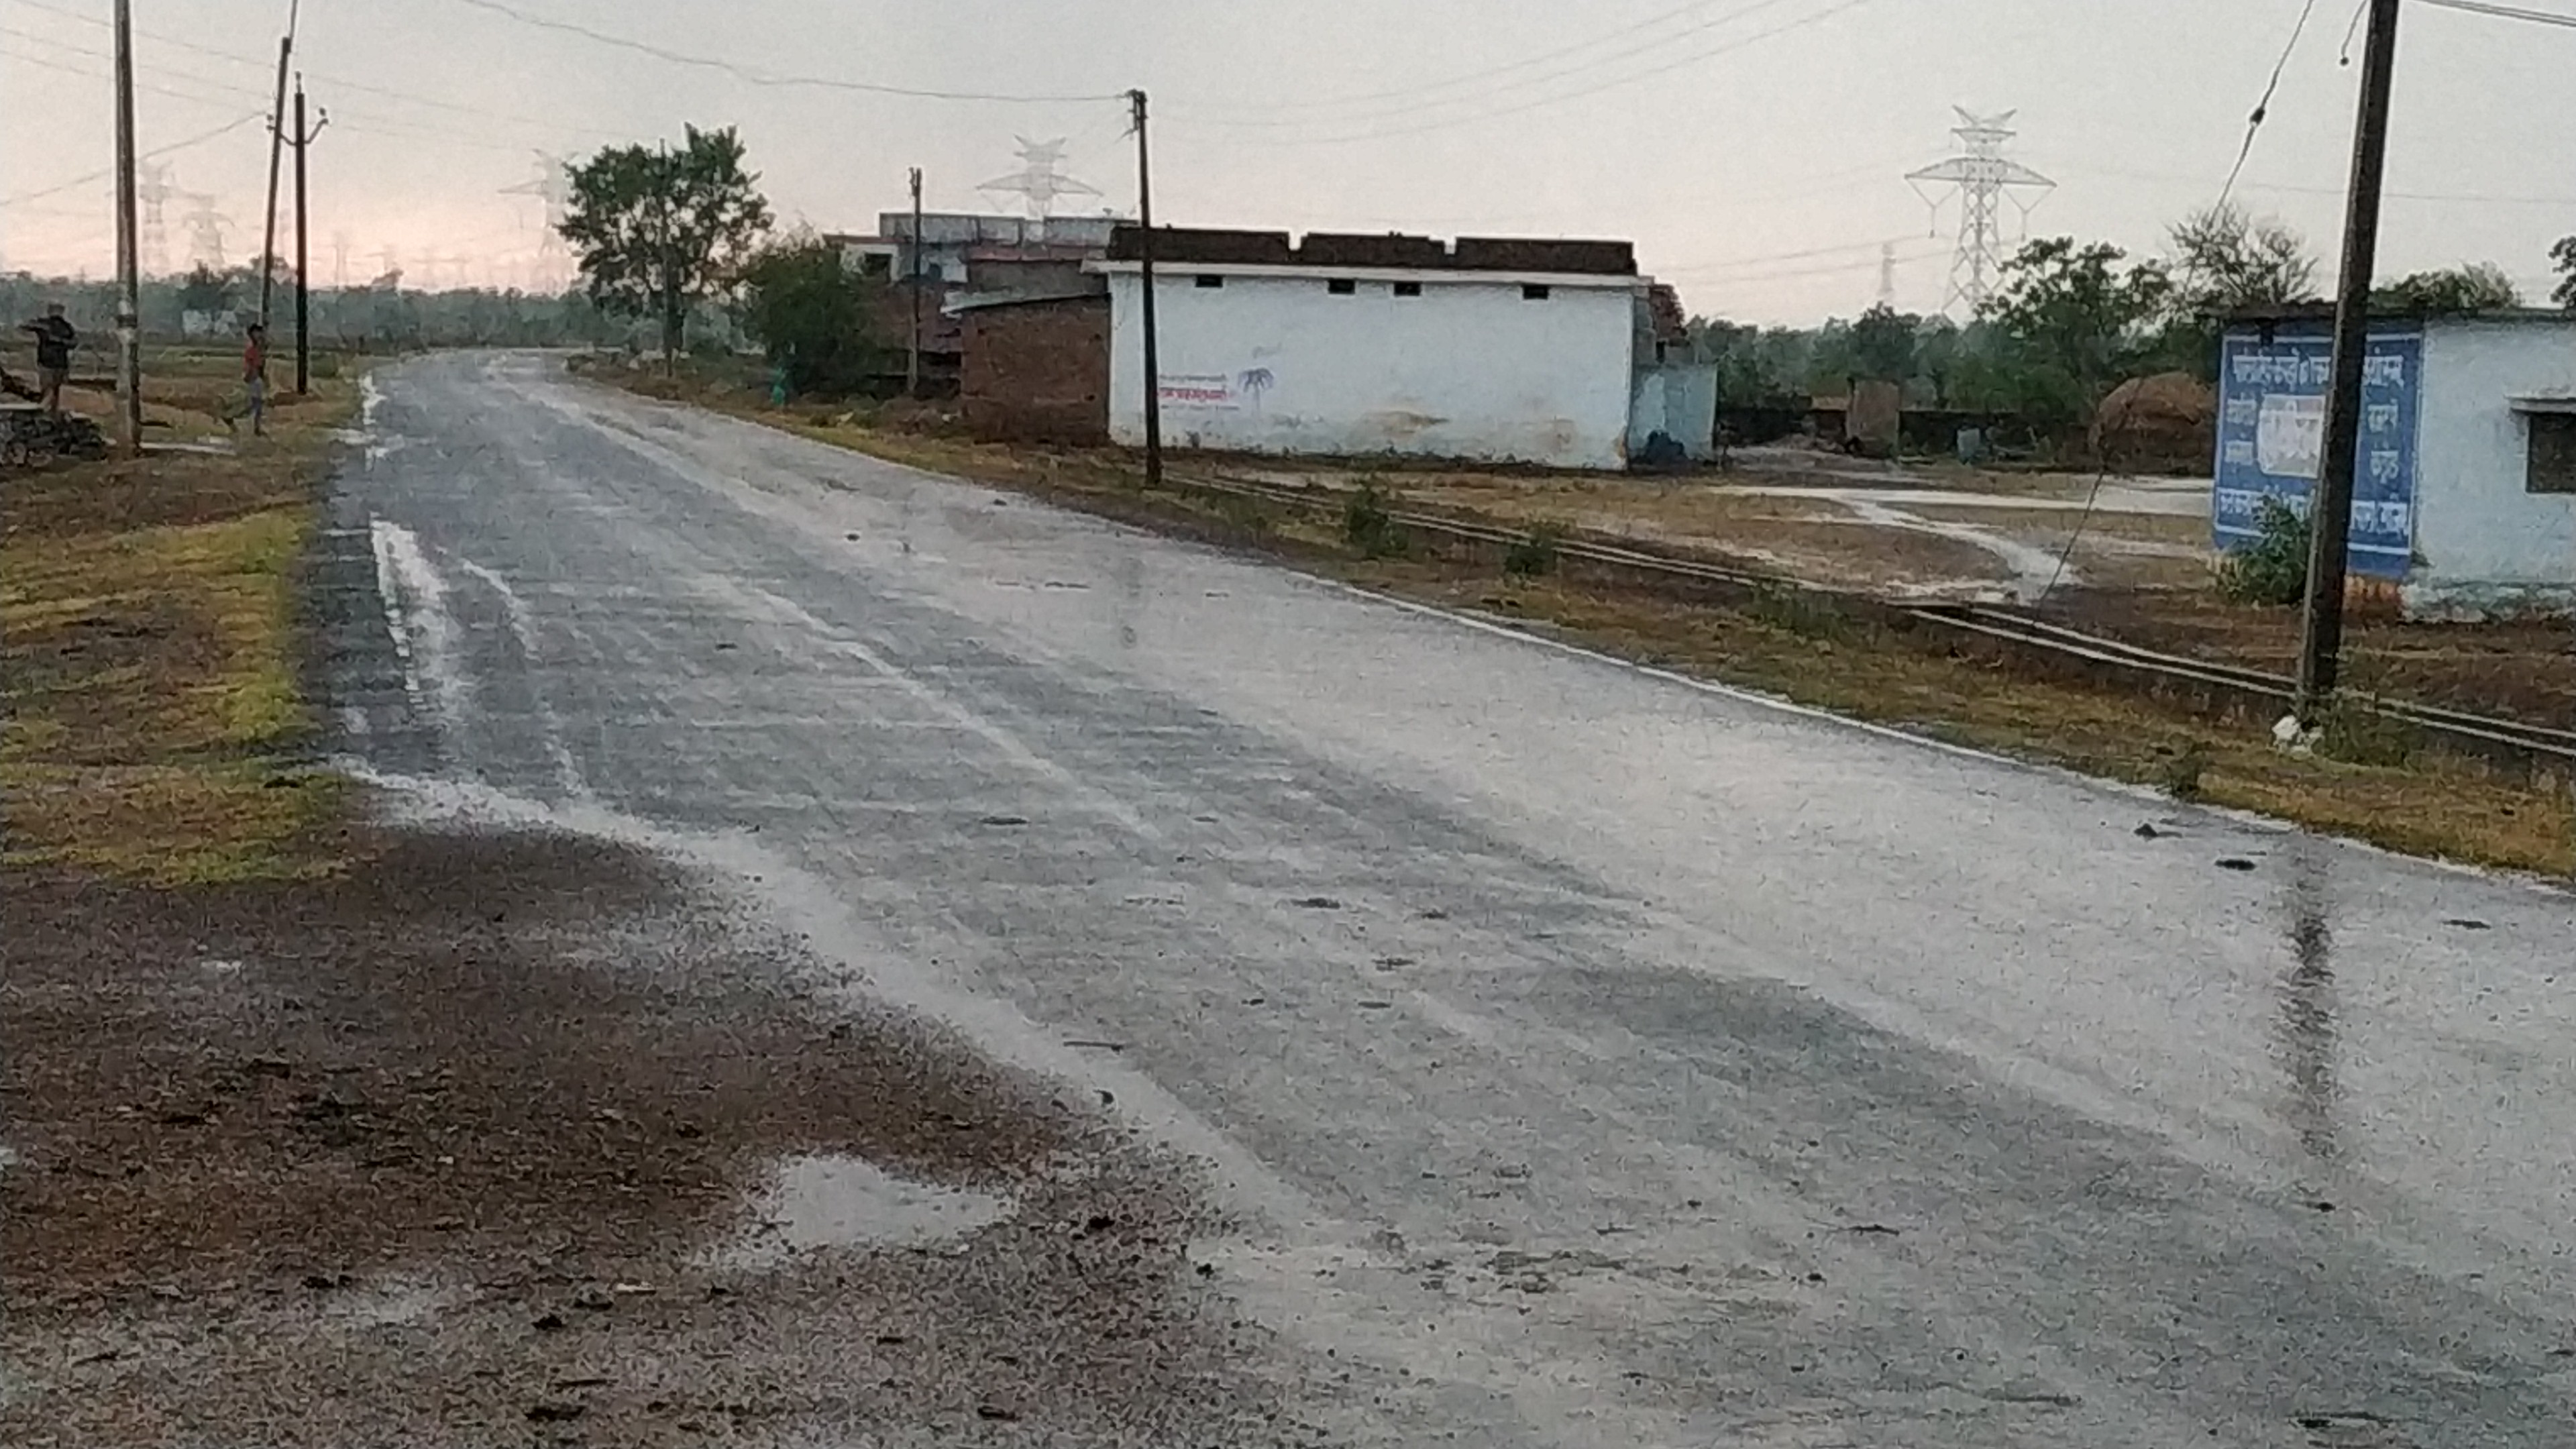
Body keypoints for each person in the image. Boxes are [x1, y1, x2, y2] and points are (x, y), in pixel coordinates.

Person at [21, 303, 75, 415]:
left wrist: (55, 339)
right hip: (57, 363)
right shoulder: (65, 327)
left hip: (49, 363)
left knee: (49, 389)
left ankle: (48, 413)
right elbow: (73, 343)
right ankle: (50, 412)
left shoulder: (62, 326)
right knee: (54, 390)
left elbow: (26, 326)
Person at [235, 322, 268, 437]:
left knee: (257, 406)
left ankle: (256, 428)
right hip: (253, 379)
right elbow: (252, 367)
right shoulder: (252, 350)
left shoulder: (258, 350)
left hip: (257, 379)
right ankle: (233, 417)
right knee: (254, 405)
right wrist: (250, 377)